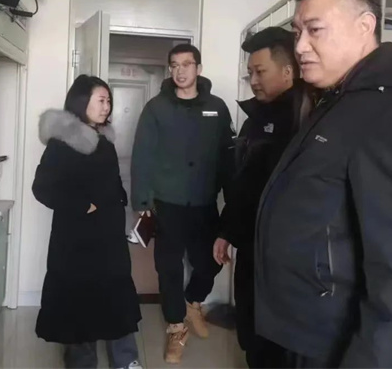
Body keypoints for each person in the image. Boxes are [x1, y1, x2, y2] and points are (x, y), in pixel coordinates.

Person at [254, 0, 392, 368]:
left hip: (336, 346)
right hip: (303, 331)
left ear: (365, 26)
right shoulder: (339, 100)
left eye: (315, 30)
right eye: (297, 32)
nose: (300, 46)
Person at [212, 27, 311, 368]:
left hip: (285, 256)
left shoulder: (307, 120)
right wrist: (227, 231)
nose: (253, 80)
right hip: (252, 247)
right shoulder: (257, 119)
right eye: (250, 72)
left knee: (274, 342)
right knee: (251, 331)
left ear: (288, 71)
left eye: (260, 71)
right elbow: (244, 182)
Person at [130, 44, 235, 364]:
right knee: (169, 267)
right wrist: (143, 199)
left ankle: (193, 302)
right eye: (174, 65)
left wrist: (233, 201)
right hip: (168, 202)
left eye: (186, 64)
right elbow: (142, 155)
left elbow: (227, 158)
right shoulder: (156, 108)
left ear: (198, 69)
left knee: (212, 261)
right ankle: (176, 327)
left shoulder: (217, 107)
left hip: (204, 201)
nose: (180, 71)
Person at [33, 75, 143, 369]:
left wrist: (120, 202)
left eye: (109, 101)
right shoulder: (62, 143)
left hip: (109, 238)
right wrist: (84, 206)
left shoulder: (104, 140)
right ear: (82, 102)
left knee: (117, 296)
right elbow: (42, 188)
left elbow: (110, 181)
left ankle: (126, 361)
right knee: (79, 303)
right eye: (101, 100)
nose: (107, 107)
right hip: (77, 241)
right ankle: (82, 363)